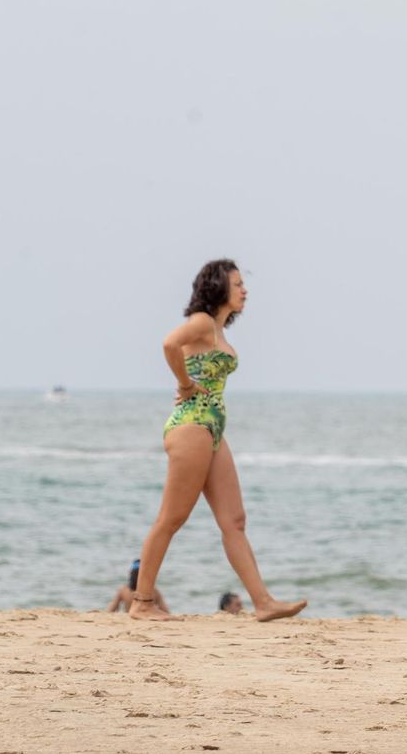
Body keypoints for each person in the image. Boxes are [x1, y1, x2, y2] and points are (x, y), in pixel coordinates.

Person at [129, 259, 308, 623]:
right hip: (192, 424)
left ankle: (263, 602)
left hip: (211, 429)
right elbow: (169, 344)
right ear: (218, 287)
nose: (245, 290)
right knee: (172, 517)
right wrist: (184, 384)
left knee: (234, 520)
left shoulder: (218, 331)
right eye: (238, 283)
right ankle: (142, 602)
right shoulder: (203, 322)